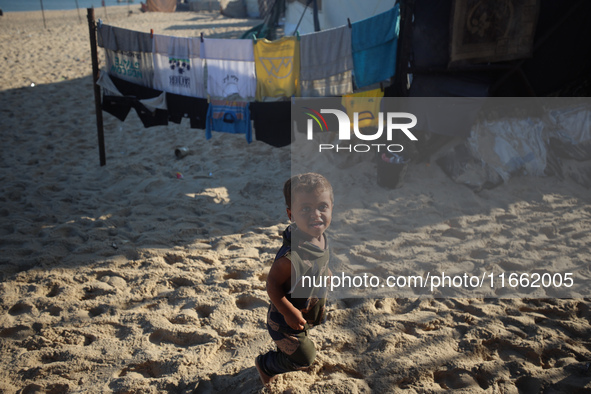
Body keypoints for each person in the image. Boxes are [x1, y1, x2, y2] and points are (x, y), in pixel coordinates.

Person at [255, 173, 333, 387]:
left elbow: (321, 259)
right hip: (284, 322)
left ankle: (286, 350)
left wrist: (325, 274)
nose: (316, 215)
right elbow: (272, 285)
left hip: (306, 307)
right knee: (305, 359)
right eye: (305, 209)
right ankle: (266, 364)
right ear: (291, 214)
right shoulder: (292, 256)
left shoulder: (320, 236)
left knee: (304, 335)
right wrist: (288, 312)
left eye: (322, 207)